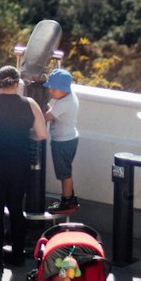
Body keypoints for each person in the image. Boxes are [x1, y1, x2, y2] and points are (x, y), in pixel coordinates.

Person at [0, 64, 47, 274]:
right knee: (16, 209)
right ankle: (18, 255)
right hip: (19, 163)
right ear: (17, 83)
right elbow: (41, 134)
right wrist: (27, 135)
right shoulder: (30, 104)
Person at [45, 67, 81, 213]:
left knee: (64, 173)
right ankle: (70, 198)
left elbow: (46, 117)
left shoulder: (64, 103)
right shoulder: (69, 96)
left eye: (54, 89)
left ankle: (67, 202)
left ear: (64, 89)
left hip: (63, 142)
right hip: (70, 138)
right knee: (65, 170)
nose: (50, 91)